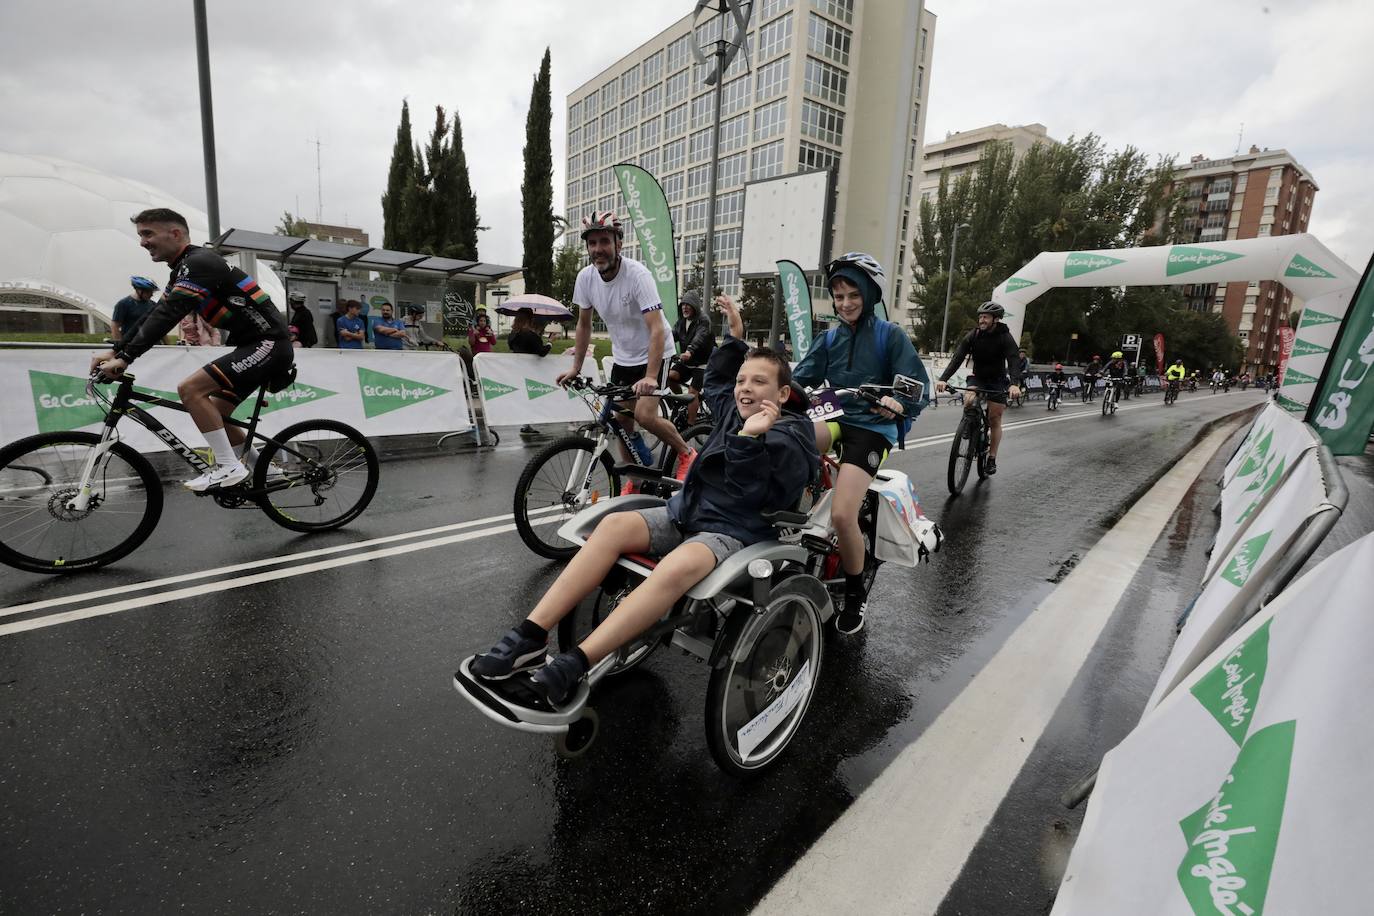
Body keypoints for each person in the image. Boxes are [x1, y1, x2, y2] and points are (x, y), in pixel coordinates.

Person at [466, 297, 818, 707]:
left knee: (677, 566)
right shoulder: (733, 409)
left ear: (783, 392)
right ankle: (528, 637)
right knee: (611, 527)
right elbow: (720, 379)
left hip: (733, 533)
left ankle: (574, 664)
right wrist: (735, 336)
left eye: (759, 382)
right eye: (745, 380)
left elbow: (760, 493)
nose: (745, 388)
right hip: (687, 513)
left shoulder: (794, 436)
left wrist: (749, 439)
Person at [90, 208, 292, 491]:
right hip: (256, 345)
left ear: (175, 233)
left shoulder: (200, 263)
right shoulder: (183, 270)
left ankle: (228, 466)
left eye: (148, 234)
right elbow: (156, 314)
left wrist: (125, 357)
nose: (142, 242)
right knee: (218, 411)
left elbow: (170, 314)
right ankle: (264, 470)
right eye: (140, 235)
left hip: (268, 344)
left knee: (190, 390)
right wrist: (116, 351)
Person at [793, 252, 929, 634]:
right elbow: (800, 379)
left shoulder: (890, 335)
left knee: (842, 514)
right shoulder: (830, 337)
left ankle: (855, 593)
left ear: (869, 295)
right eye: (839, 297)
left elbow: (918, 385)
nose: (845, 303)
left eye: (853, 295)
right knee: (791, 440)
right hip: (834, 412)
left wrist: (898, 402)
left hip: (872, 424)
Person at [557, 211, 696, 484]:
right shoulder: (586, 278)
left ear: (618, 243)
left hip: (657, 352)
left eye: (604, 241)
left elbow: (656, 328)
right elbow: (584, 324)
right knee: (621, 420)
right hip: (624, 357)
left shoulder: (637, 276)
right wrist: (576, 367)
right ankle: (636, 478)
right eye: (592, 243)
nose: (598, 249)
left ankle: (687, 453)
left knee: (644, 415)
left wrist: (650, 377)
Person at [935, 302, 1020, 474]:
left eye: (985, 317)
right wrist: (943, 379)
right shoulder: (973, 335)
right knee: (969, 400)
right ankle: (969, 425)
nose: (981, 320)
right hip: (978, 377)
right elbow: (957, 358)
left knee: (994, 419)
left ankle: (991, 458)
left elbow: (1013, 360)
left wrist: (1014, 384)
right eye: (980, 316)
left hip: (997, 380)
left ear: (995, 319)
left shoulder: (1005, 336)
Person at [668, 290, 715, 424]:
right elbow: (672, 336)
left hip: (703, 363)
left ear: (694, 306)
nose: (685, 307)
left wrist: (689, 351)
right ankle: (680, 403)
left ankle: (691, 425)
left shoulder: (703, 320)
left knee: (692, 393)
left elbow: (699, 338)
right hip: (687, 361)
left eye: (688, 305)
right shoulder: (681, 322)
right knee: (670, 376)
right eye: (683, 305)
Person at [111, 276, 158, 347]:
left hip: (150, 344)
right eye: (149, 291)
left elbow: (158, 325)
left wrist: (167, 345)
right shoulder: (124, 304)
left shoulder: (153, 304)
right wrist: (119, 344)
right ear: (139, 290)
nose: (152, 294)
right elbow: (115, 325)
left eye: (152, 291)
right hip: (131, 344)